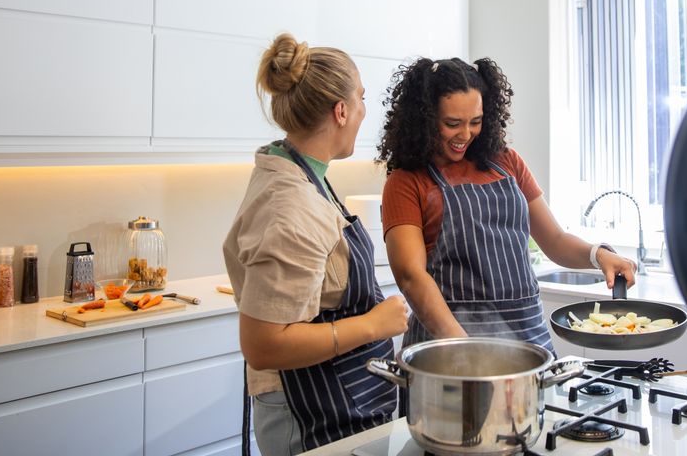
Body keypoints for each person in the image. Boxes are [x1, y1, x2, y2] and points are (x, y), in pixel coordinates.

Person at [223, 33, 409, 456]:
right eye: (361, 99)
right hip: (311, 412)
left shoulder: (305, 172)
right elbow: (263, 343)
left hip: (341, 399)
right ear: (341, 111)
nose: (365, 110)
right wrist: (373, 325)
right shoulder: (291, 205)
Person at [377, 57, 636, 351]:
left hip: (528, 339)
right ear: (425, 119)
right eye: (452, 124)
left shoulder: (506, 162)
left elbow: (554, 240)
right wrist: (463, 348)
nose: (465, 135)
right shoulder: (407, 182)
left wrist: (598, 255)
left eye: (475, 121)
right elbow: (411, 277)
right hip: (448, 349)